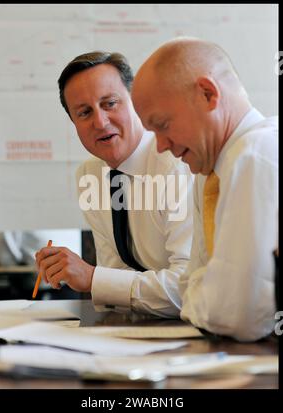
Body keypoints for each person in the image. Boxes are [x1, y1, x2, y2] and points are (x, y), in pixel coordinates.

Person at [131, 37, 278, 341]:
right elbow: (190, 286)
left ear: (208, 94)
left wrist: (208, 296)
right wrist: (209, 295)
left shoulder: (253, 155)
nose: (160, 146)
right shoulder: (209, 172)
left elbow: (237, 316)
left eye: (163, 125)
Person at [35, 51, 194, 318]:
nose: (100, 121)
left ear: (136, 103)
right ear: (73, 123)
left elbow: (187, 289)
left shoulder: (177, 164)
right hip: (137, 330)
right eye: (84, 112)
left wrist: (93, 278)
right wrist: (96, 280)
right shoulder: (90, 175)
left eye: (109, 103)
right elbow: (115, 282)